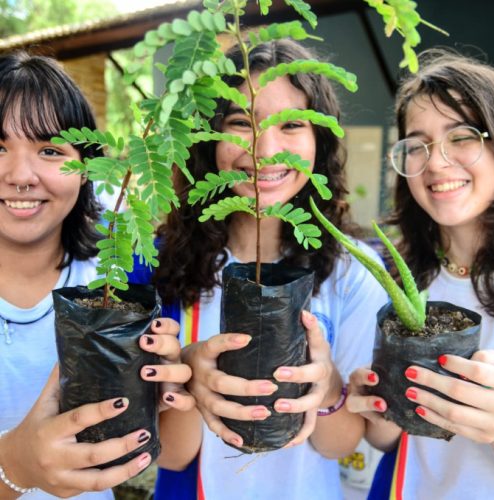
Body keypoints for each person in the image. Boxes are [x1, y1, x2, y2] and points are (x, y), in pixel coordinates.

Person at [150, 39, 388, 500]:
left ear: (321, 140)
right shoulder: (163, 264)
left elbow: (339, 445)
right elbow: (173, 456)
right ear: (208, 139)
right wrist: (184, 375)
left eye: (291, 124)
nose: (265, 148)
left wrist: (329, 384)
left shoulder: (351, 273)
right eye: (241, 122)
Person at [0, 51, 193, 499]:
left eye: (49, 150)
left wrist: (175, 385)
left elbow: (177, 454)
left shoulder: (127, 270)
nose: (20, 175)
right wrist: (16, 466)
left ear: (89, 170)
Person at [346, 49, 494, 499]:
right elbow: (388, 440)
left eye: (462, 136)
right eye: (416, 145)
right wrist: (377, 409)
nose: (435, 162)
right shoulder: (401, 278)